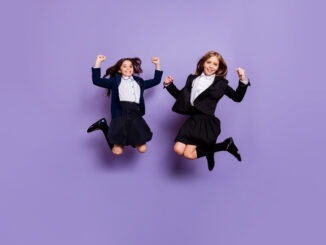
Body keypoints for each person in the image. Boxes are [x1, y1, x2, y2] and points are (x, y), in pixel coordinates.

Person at [163, 51, 250, 171]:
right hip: (192, 120)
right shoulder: (192, 79)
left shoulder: (221, 83)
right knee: (178, 149)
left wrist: (242, 79)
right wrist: (169, 85)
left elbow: (237, 97)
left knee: (189, 154)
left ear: (219, 68)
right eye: (209, 62)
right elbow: (182, 98)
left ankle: (224, 146)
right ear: (203, 63)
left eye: (215, 64)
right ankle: (224, 145)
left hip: (205, 121)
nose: (211, 66)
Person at [87, 54, 163, 155]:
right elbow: (96, 80)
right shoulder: (115, 81)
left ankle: (130, 139)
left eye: (130, 66)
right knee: (117, 151)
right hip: (120, 114)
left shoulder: (139, 82)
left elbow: (156, 81)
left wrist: (157, 65)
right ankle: (104, 126)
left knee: (142, 149)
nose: (128, 68)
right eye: (124, 66)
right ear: (119, 70)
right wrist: (98, 62)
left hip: (135, 116)